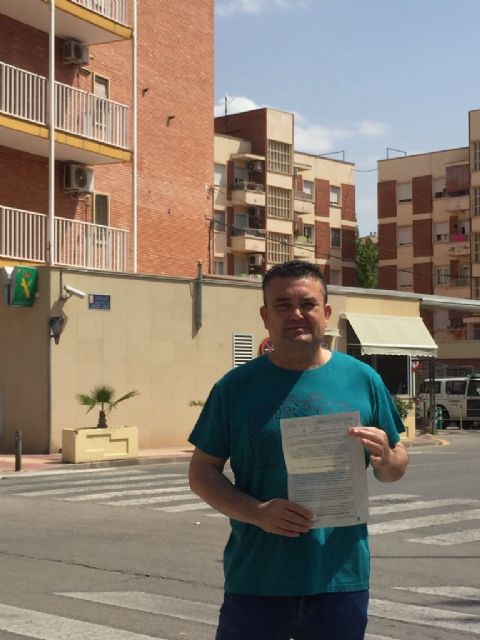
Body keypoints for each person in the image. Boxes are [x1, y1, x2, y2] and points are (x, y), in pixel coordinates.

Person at [188, 260, 409, 640]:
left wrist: (387, 459)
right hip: (257, 580)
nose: (296, 314)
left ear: (326, 312)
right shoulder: (234, 388)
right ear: (265, 316)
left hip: (340, 579)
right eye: (283, 305)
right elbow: (202, 473)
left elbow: (395, 464)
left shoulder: (363, 379)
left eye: (307, 304)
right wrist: (257, 513)